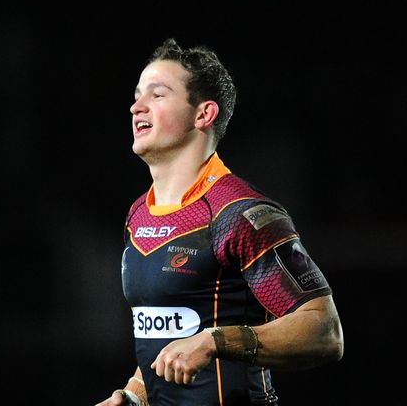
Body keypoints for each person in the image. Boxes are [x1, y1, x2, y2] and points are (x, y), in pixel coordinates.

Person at [95, 38, 343, 406]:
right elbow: (165, 337)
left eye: (157, 95)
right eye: (136, 94)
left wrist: (215, 340)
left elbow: (324, 331)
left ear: (203, 115)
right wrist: (133, 395)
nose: (136, 106)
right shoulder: (139, 215)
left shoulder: (237, 213)